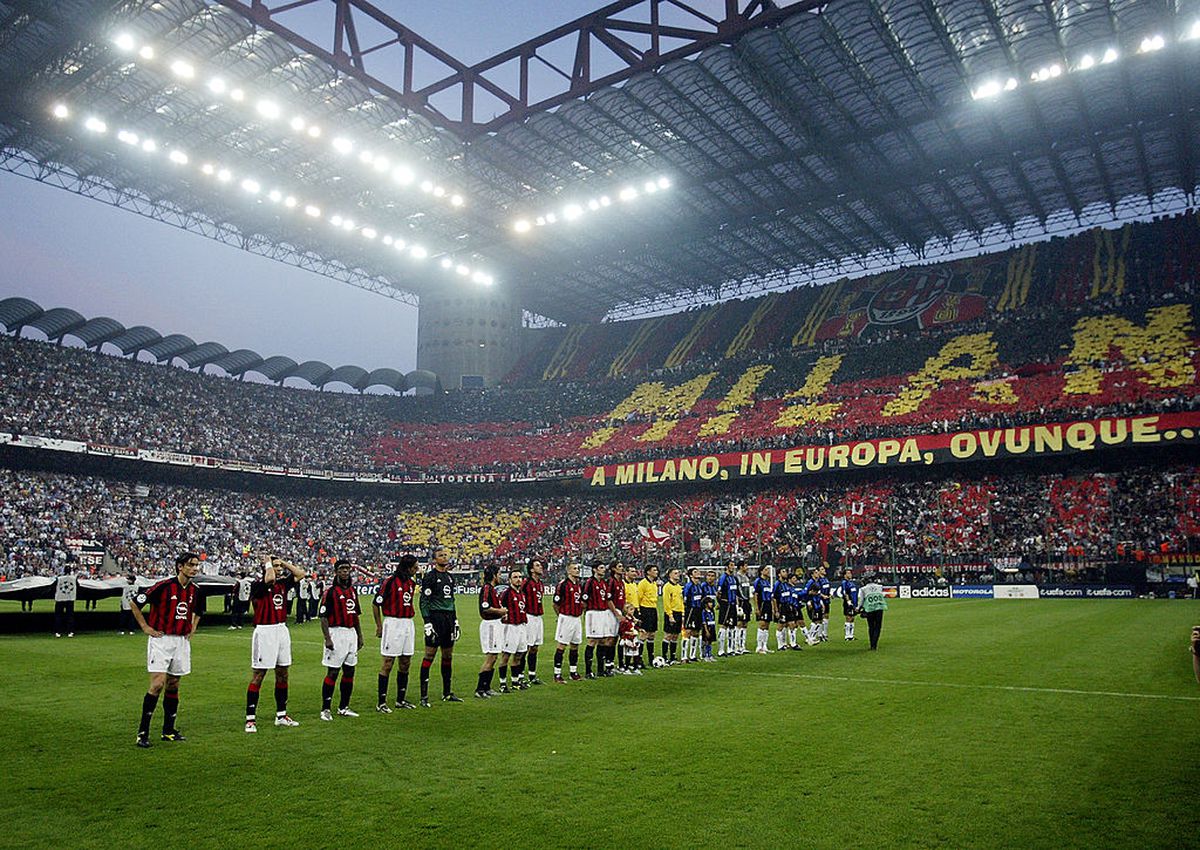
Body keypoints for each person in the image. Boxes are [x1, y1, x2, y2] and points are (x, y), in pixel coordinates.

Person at [130, 552, 201, 748]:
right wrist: (145, 627)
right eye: (191, 565)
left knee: (173, 685)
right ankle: (142, 733)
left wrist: (193, 628)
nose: (195, 568)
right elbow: (135, 603)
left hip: (181, 642)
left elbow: (198, 611)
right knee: (158, 684)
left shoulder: (195, 589)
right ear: (180, 566)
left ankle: (168, 730)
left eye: (197, 565)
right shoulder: (163, 586)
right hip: (161, 640)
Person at [245, 555, 305, 732]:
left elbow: (300, 574)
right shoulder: (258, 585)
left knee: (283, 673)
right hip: (265, 631)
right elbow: (269, 578)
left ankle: (281, 715)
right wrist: (269, 564)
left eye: (280, 567)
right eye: (275, 566)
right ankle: (250, 719)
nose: (278, 569)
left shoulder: (283, 584)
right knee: (259, 674)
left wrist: (284, 563)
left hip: (281, 630)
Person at [319, 560, 365, 720]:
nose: (345, 572)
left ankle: (344, 707)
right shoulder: (330, 592)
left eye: (347, 569)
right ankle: (325, 709)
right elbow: (323, 617)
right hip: (336, 633)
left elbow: (356, 615)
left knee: (350, 670)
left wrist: (359, 636)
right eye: (342, 569)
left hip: (351, 633)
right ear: (336, 572)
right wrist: (327, 638)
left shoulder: (353, 591)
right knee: (333, 671)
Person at [417, 546, 463, 706]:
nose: (445, 557)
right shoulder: (430, 577)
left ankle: (447, 693)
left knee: (447, 656)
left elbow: (452, 600)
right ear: (434, 560)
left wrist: (455, 621)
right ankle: (424, 696)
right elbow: (423, 601)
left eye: (445, 554)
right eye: (441, 555)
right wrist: (427, 623)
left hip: (449, 619)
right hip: (436, 618)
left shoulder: (450, 577)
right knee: (429, 655)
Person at [374, 555, 419, 712]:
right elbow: (376, 603)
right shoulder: (390, 582)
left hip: (408, 623)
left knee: (406, 662)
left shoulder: (412, 584)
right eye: (414, 567)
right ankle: (381, 702)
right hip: (392, 623)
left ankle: (400, 700)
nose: (417, 570)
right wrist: (379, 626)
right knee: (388, 662)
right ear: (407, 567)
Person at [475, 565, 506, 698]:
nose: (500, 576)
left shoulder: (491, 589)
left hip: (495, 623)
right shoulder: (487, 588)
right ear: (494, 575)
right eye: (498, 574)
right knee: (490, 657)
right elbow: (485, 607)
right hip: (490, 625)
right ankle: (480, 689)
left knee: (493, 658)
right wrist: (501, 611)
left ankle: (486, 687)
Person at [552, 561, 584, 683]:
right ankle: (557, 674)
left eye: (578, 568)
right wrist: (561, 616)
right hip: (566, 617)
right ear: (568, 571)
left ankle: (573, 672)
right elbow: (555, 603)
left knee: (575, 645)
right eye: (574, 568)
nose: (577, 570)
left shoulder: (579, 585)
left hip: (576, 618)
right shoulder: (563, 585)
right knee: (562, 645)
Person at [498, 568, 529, 693]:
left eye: (520, 577)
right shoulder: (506, 593)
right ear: (510, 579)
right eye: (515, 577)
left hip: (521, 626)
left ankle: (515, 681)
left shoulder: (521, 593)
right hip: (510, 626)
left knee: (519, 654)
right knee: (506, 655)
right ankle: (502, 683)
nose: (518, 579)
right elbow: (500, 607)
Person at [582, 563, 610, 679]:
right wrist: (585, 614)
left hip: (603, 612)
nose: (604, 570)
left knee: (603, 640)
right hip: (593, 613)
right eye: (601, 568)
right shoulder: (590, 582)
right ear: (595, 570)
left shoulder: (604, 583)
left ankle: (600, 669)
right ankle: (588, 672)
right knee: (592, 640)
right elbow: (584, 599)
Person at [522, 559, 546, 685]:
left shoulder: (540, 584)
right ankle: (520, 676)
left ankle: (532, 675)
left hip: (538, 617)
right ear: (531, 570)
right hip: (528, 616)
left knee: (535, 648)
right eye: (537, 565)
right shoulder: (526, 583)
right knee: (525, 647)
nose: (540, 567)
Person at [603, 563, 626, 676]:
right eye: (619, 566)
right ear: (613, 569)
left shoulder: (621, 582)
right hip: (612, 612)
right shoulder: (611, 581)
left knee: (615, 638)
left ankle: (611, 664)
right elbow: (608, 599)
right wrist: (616, 613)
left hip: (619, 611)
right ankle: (607, 665)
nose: (622, 568)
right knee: (610, 638)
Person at [637, 564, 660, 667]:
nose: (656, 572)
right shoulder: (643, 583)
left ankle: (651, 658)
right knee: (643, 634)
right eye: (654, 570)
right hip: (645, 609)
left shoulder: (654, 583)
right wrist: (639, 612)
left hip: (653, 610)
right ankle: (639, 658)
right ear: (648, 572)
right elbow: (639, 598)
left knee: (652, 634)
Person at [859, 574, 888, 650]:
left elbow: (861, 601)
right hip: (879, 608)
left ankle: (872, 644)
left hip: (869, 609)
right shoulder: (879, 587)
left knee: (871, 626)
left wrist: (858, 608)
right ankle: (874, 644)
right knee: (878, 626)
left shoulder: (863, 589)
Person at [682, 568, 705, 662]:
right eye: (695, 572)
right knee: (687, 632)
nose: (698, 573)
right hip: (690, 610)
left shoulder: (699, 586)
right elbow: (684, 599)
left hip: (698, 611)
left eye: (698, 571)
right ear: (691, 575)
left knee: (696, 633)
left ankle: (693, 655)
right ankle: (684, 657)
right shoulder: (689, 586)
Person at [661, 567, 683, 665]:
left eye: (678, 573)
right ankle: (664, 657)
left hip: (679, 613)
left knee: (675, 636)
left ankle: (672, 657)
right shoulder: (667, 586)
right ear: (670, 575)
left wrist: (682, 614)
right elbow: (666, 602)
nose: (677, 574)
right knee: (668, 635)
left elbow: (681, 602)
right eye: (675, 573)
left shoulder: (679, 587)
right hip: (671, 613)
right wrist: (670, 615)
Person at [716, 563, 737, 657]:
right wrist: (721, 603)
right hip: (725, 604)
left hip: (733, 604)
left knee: (732, 626)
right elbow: (718, 592)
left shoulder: (733, 578)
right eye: (731, 565)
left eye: (734, 565)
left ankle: (730, 649)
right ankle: (721, 650)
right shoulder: (723, 578)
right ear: (727, 567)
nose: (733, 567)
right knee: (723, 626)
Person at [753, 566, 775, 654]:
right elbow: (756, 594)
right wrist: (757, 608)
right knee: (762, 625)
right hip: (762, 604)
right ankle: (758, 647)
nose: (768, 571)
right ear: (761, 571)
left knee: (767, 626)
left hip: (768, 604)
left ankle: (764, 646)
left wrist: (773, 608)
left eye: (768, 570)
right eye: (766, 570)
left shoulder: (767, 582)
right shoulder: (758, 581)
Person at [54, 565, 77, 638]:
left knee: (58, 616)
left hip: (60, 598)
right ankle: (70, 631)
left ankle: (58, 631)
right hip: (70, 599)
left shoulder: (59, 578)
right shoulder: (74, 578)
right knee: (70, 616)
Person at [619, 604, 642, 675]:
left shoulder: (632, 619)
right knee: (628, 654)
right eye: (631, 609)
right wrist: (628, 633)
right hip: (628, 639)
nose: (633, 611)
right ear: (626, 611)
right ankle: (626, 668)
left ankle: (635, 668)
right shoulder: (624, 620)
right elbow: (621, 631)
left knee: (636, 653)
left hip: (634, 639)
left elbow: (634, 627)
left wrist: (639, 629)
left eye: (633, 609)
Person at [735, 562, 752, 656]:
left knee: (745, 624)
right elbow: (737, 592)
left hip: (746, 602)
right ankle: (737, 646)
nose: (747, 567)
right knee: (739, 623)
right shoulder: (737, 577)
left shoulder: (746, 577)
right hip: (740, 602)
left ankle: (743, 646)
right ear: (741, 567)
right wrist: (738, 605)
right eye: (746, 566)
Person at [841, 569, 860, 641]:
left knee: (852, 618)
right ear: (845, 575)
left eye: (850, 573)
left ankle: (851, 635)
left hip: (854, 603)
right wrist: (848, 601)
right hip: (848, 603)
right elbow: (845, 592)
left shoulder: (851, 582)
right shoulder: (844, 582)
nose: (850, 574)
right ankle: (847, 636)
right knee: (848, 618)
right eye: (848, 573)